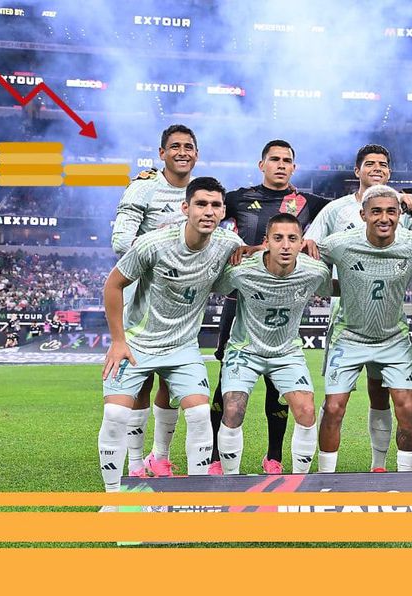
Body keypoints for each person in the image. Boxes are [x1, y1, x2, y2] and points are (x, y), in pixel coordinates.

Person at [98, 176, 242, 495]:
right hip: (137, 342)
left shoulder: (229, 245)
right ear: (185, 207)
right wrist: (119, 341)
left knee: (201, 413)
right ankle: (113, 498)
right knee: (115, 414)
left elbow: (247, 265)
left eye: (215, 205)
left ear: (222, 213)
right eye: (201, 204)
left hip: (183, 347)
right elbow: (113, 284)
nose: (208, 211)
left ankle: (196, 498)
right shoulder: (154, 243)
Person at [210, 139, 331, 475]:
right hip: (240, 299)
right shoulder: (237, 198)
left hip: (282, 300)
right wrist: (241, 248)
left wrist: (405, 200)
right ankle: (218, 458)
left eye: (287, 160)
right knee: (228, 386)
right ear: (261, 164)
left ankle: (274, 457)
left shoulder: (308, 202)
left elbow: (349, 211)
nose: (280, 165)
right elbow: (207, 217)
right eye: (274, 159)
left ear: (294, 167)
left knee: (279, 388)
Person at [316, 184, 412, 472]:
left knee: (405, 406)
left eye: (391, 211)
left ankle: (399, 477)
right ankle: (323, 478)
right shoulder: (340, 243)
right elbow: (310, 254)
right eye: (376, 211)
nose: (384, 218)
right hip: (349, 336)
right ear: (363, 214)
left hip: (393, 338)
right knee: (333, 408)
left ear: (400, 214)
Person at [304, 143, 412, 472]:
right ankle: (325, 475)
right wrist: (324, 286)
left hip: (389, 315)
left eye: (383, 164)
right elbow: (312, 248)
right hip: (349, 313)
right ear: (357, 171)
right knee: (336, 403)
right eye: (369, 164)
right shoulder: (336, 210)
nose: (377, 168)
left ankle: (380, 467)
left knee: (383, 395)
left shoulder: (401, 210)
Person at [110, 124, 200, 478]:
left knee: (172, 381)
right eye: (174, 146)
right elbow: (120, 242)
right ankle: (134, 465)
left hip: (182, 305)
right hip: (142, 302)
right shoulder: (143, 187)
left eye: (188, 147)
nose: (182, 152)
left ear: (196, 154)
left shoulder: (199, 193)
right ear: (161, 153)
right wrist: (162, 242)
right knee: (141, 380)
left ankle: (159, 457)